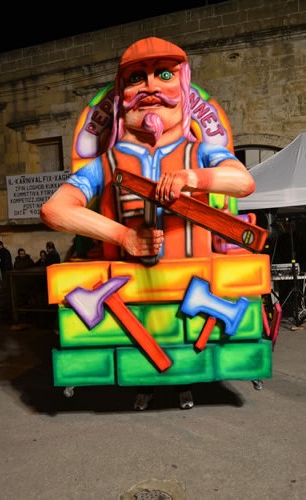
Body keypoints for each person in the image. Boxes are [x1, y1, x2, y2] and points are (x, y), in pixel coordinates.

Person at [40, 37, 255, 410]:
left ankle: (184, 384)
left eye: (165, 74)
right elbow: (54, 210)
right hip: (132, 288)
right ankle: (145, 386)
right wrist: (121, 234)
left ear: (183, 86)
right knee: (142, 346)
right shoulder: (107, 163)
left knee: (182, 341)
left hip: (192, 285)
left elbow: (243, 182)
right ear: (123, 94)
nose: (152, 87)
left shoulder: (200, 151)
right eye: (138, 78)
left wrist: (195, 178)